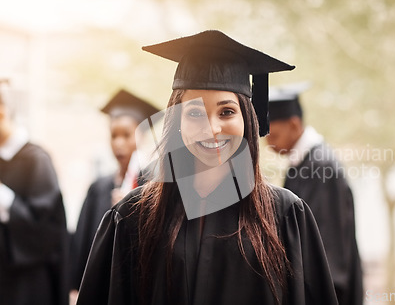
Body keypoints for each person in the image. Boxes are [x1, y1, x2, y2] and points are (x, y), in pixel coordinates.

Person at [76, 30, 338, 305]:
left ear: (248, 119)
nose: (212, 129)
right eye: (195, 113)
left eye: (226, 112)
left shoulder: (285, 215)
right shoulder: (132, 217)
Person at [266, 83, 364, 305]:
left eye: (274, 135)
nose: (269, 144)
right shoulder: (303, 163)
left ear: (294, 124)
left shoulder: (321, 168)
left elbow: (330, 247)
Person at [70, 89, 160, 295]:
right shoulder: (98, 187)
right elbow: (83, 241)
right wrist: (76, 288)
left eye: (127, 135)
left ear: (142, 136)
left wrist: (131, 206)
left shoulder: (153, 186)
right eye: (114, 136)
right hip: (99, 285)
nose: (119, 143)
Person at [0, 79, 68, 305]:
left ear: (3, 112)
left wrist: (5, 200)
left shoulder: (36, 160)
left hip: (27, 283)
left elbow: (46, 228)